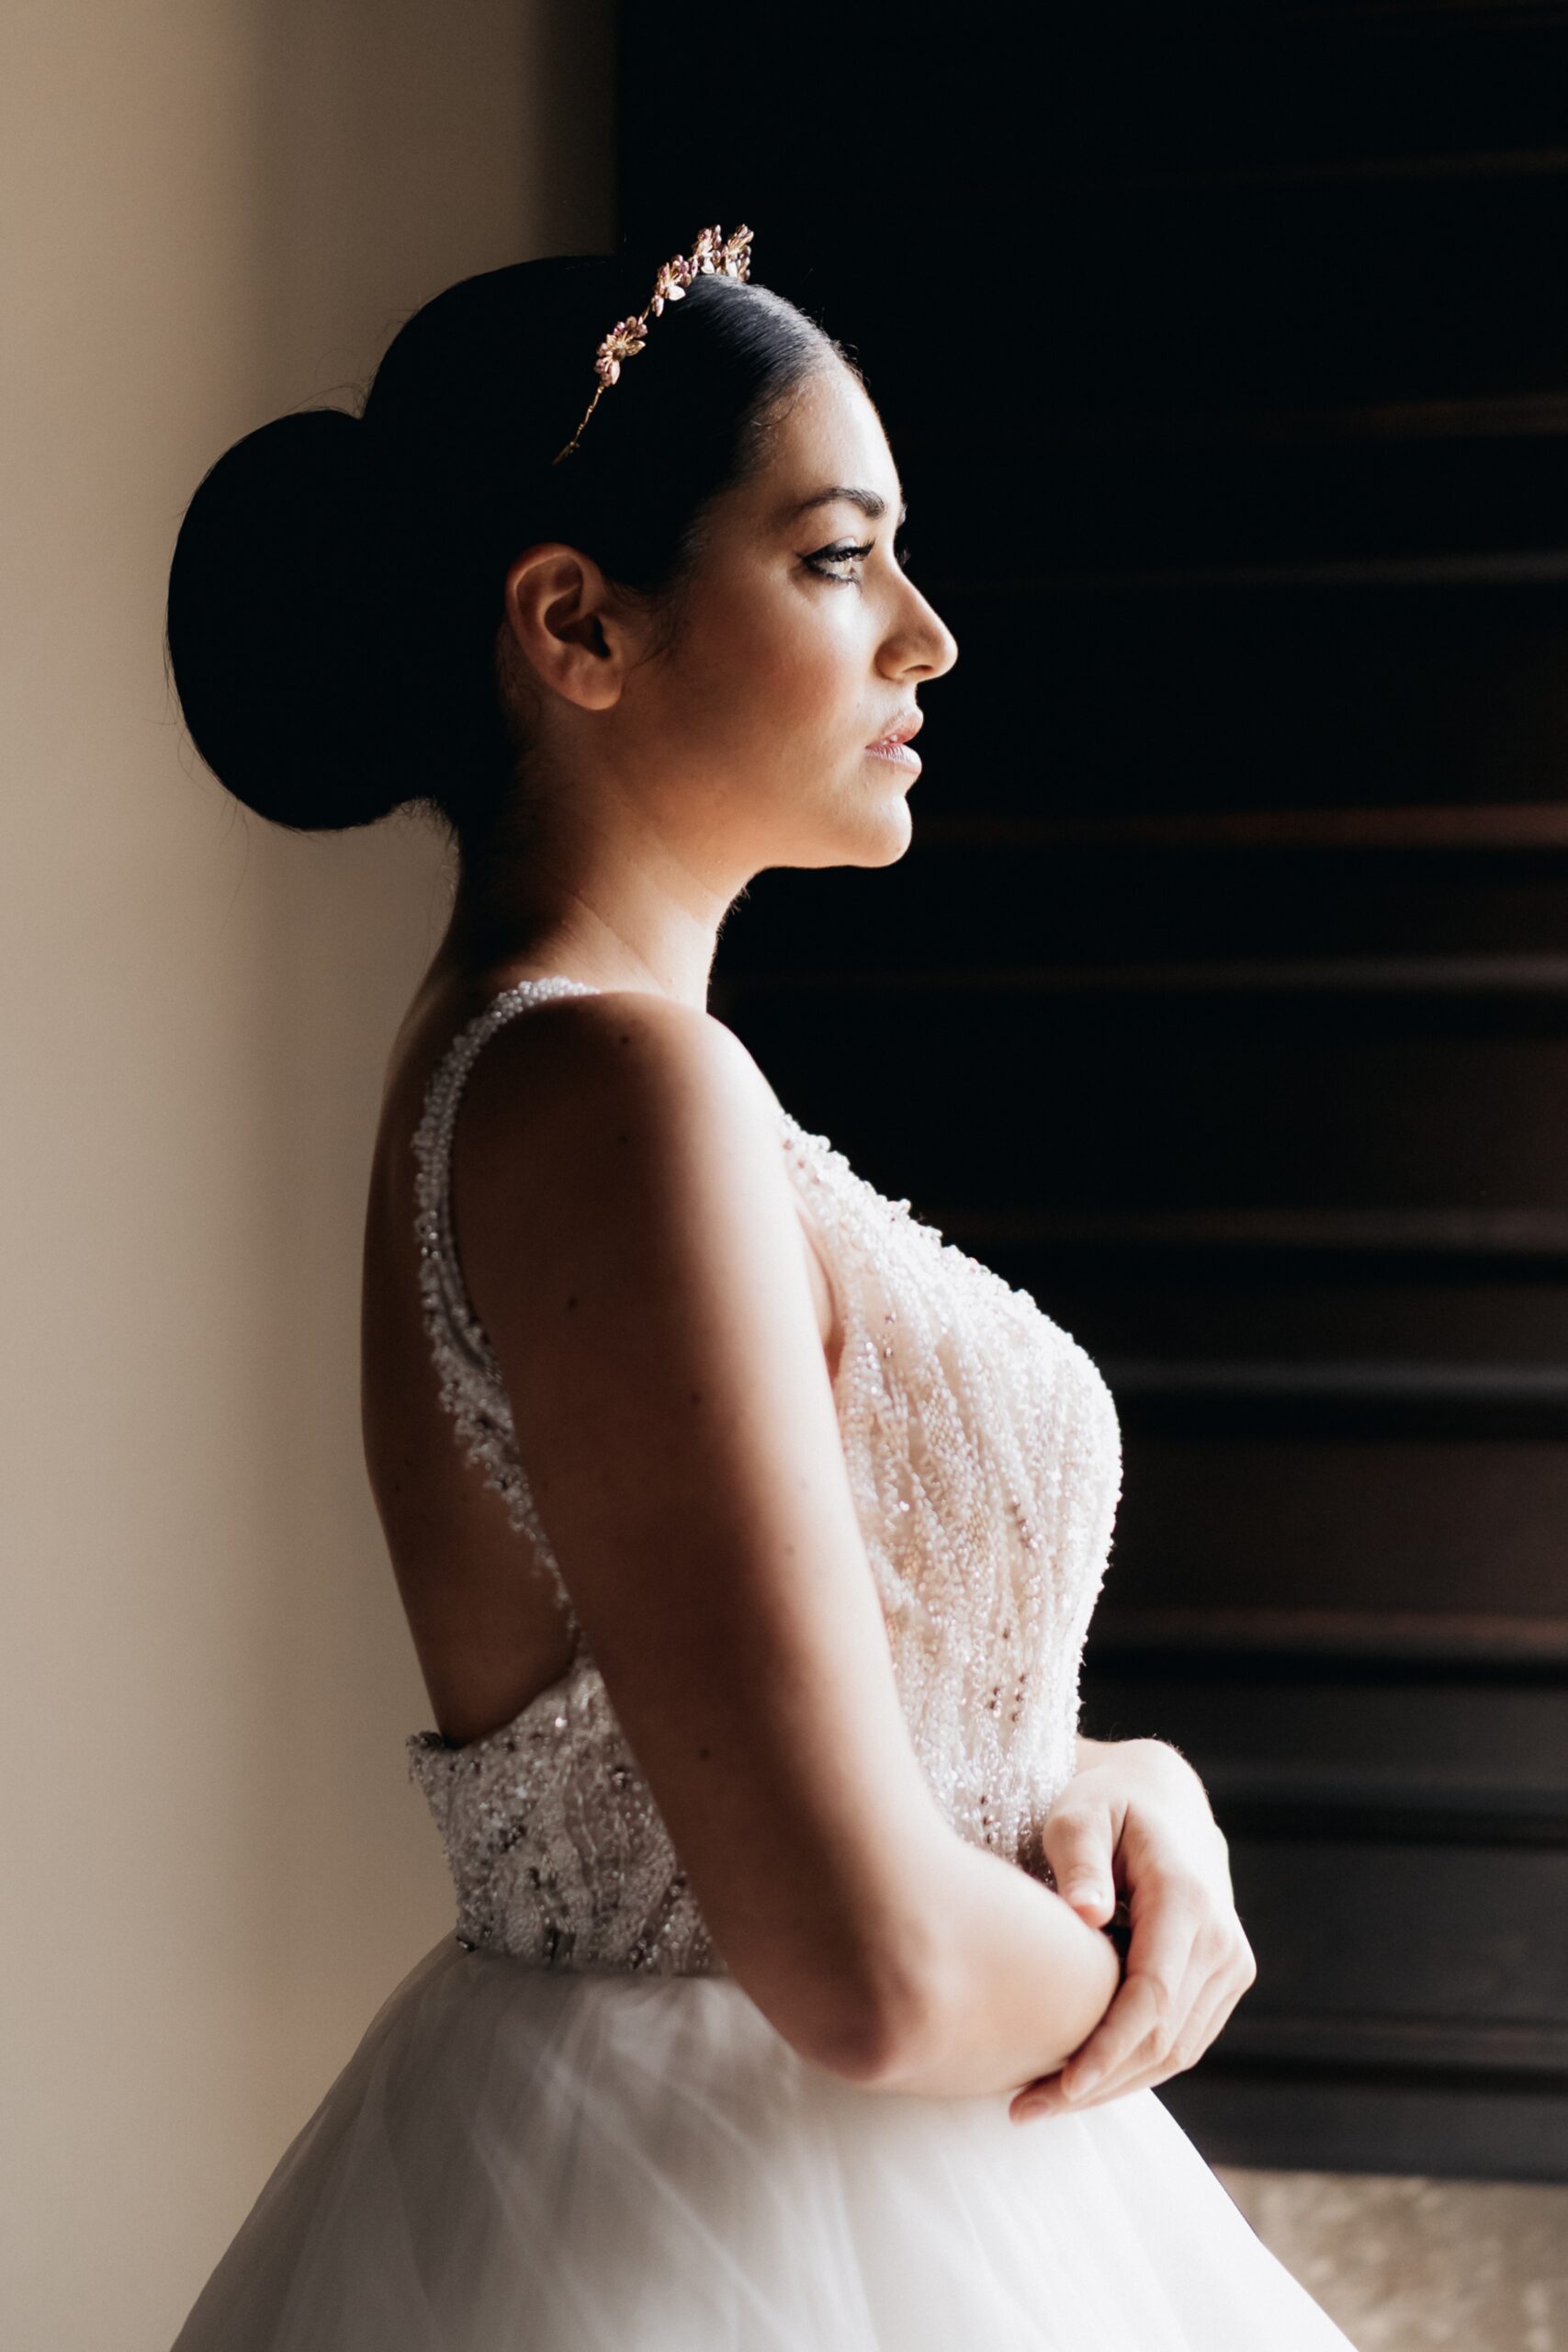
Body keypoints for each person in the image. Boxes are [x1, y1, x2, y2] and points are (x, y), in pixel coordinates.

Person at [164, 228, 1359, 2348]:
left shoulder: (572, 1070)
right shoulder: (606, 1086)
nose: (927, 633)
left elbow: (783, 1721)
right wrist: (1152, 1968)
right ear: (576, 622)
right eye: (835, 556)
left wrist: (1112, 1778)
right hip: (735, 2208)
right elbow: (866, 1965)